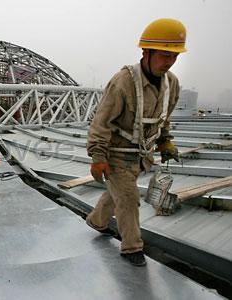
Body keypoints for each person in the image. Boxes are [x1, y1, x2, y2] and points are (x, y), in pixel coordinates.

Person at [85, 18, 186, 266]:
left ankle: (96, 222)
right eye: (164, 55)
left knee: (117, 195)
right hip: (116, 154)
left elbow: (164, 118)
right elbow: (101, 122)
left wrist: (165, 143)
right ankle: (132, 248)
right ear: (146, 52)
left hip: (141, 155)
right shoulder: (123, 82)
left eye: (174, 56)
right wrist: (98, 158)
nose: (169, 62)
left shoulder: (171, 84)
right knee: (129, 199)